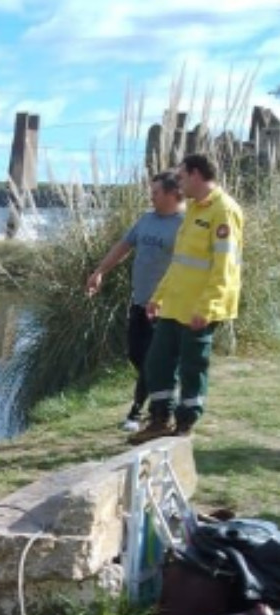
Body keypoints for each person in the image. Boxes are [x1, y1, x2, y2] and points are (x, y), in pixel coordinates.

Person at [128, 153, 243, 444]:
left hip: (200, 309)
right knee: (156, 363)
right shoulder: (192, 209)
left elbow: (225, 267)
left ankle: (184, 424)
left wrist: (208, 307)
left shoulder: (224, 210)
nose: (178, 184)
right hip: (175, 304)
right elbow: (180, 262)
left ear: (195, 174)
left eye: (180, 177)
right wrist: (159, 296)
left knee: (193, 366)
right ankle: (159, 419)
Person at [86, 172, 183, 431]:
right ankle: (162, 394)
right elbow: (123, 246)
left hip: (164, 306)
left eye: (156, 193)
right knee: (135, 355)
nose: (151, 197)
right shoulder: (146, 219)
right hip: (139, 302)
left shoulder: (185, 224)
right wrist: (99, 272)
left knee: (153, 359)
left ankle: (140, 412)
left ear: (173, 194)